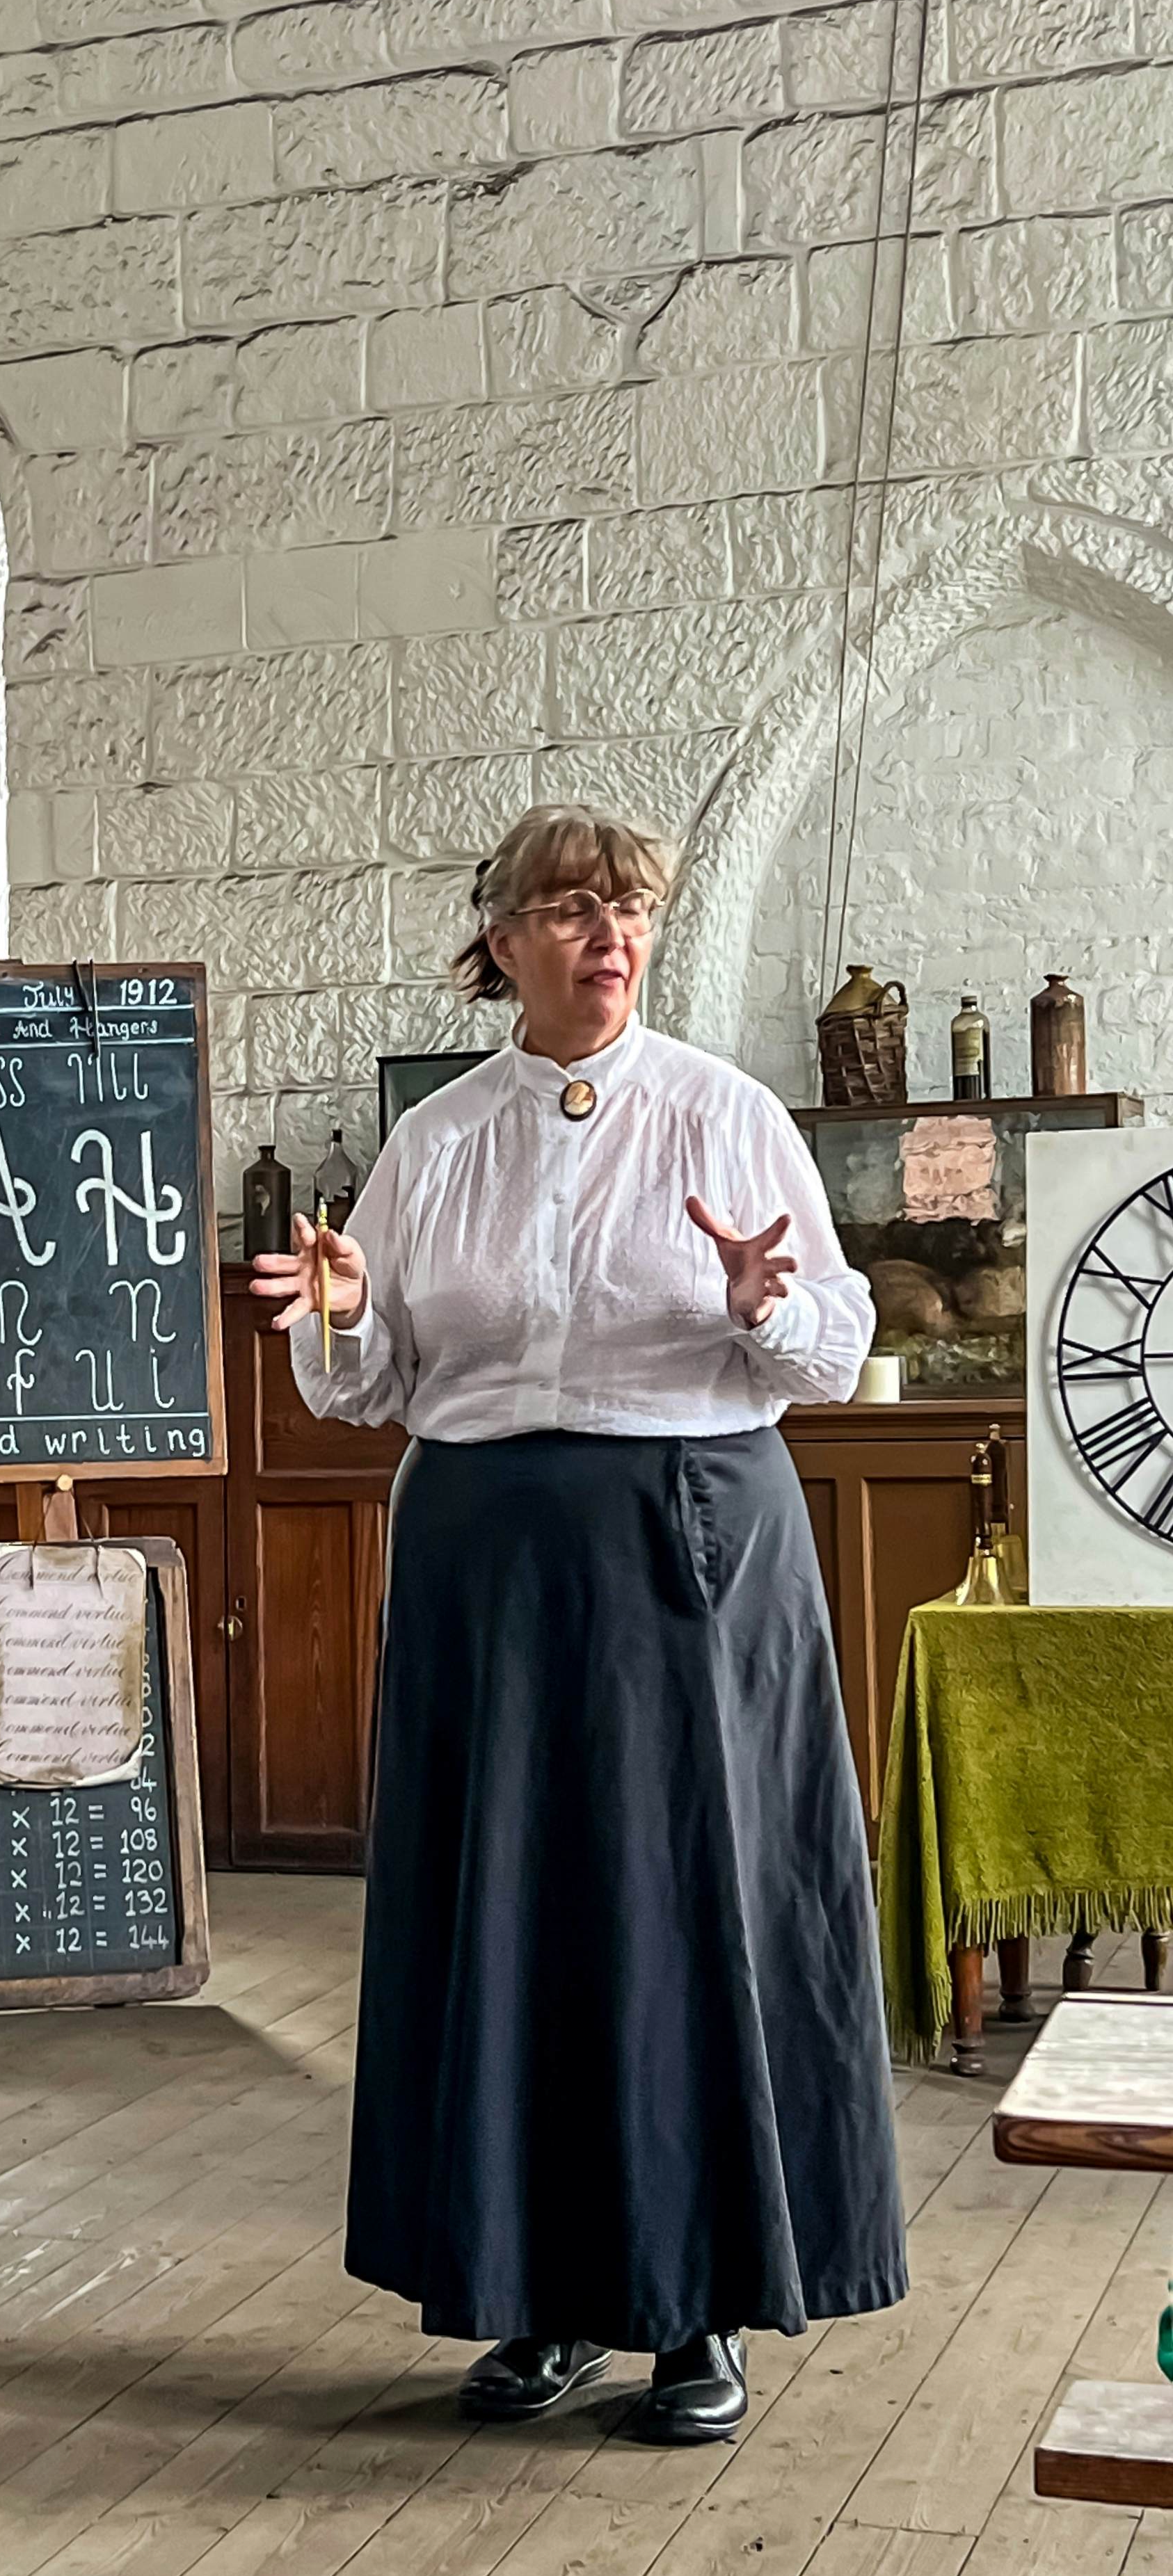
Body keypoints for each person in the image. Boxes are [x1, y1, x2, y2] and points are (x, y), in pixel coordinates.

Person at [250, 803, 904, 2445]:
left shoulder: (725, 1114)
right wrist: (342, 1312)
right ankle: (531, 2296)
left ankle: (696, 2313)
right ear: (503, 945)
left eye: (630, 910)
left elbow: (831, 1348)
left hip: (692, 1546)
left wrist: (766, 1298)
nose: (608, 937)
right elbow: (369, 1385)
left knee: (688, 1910)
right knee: (510, 1915)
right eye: (569, 909)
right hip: (485, 1559)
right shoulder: (437, 1141)